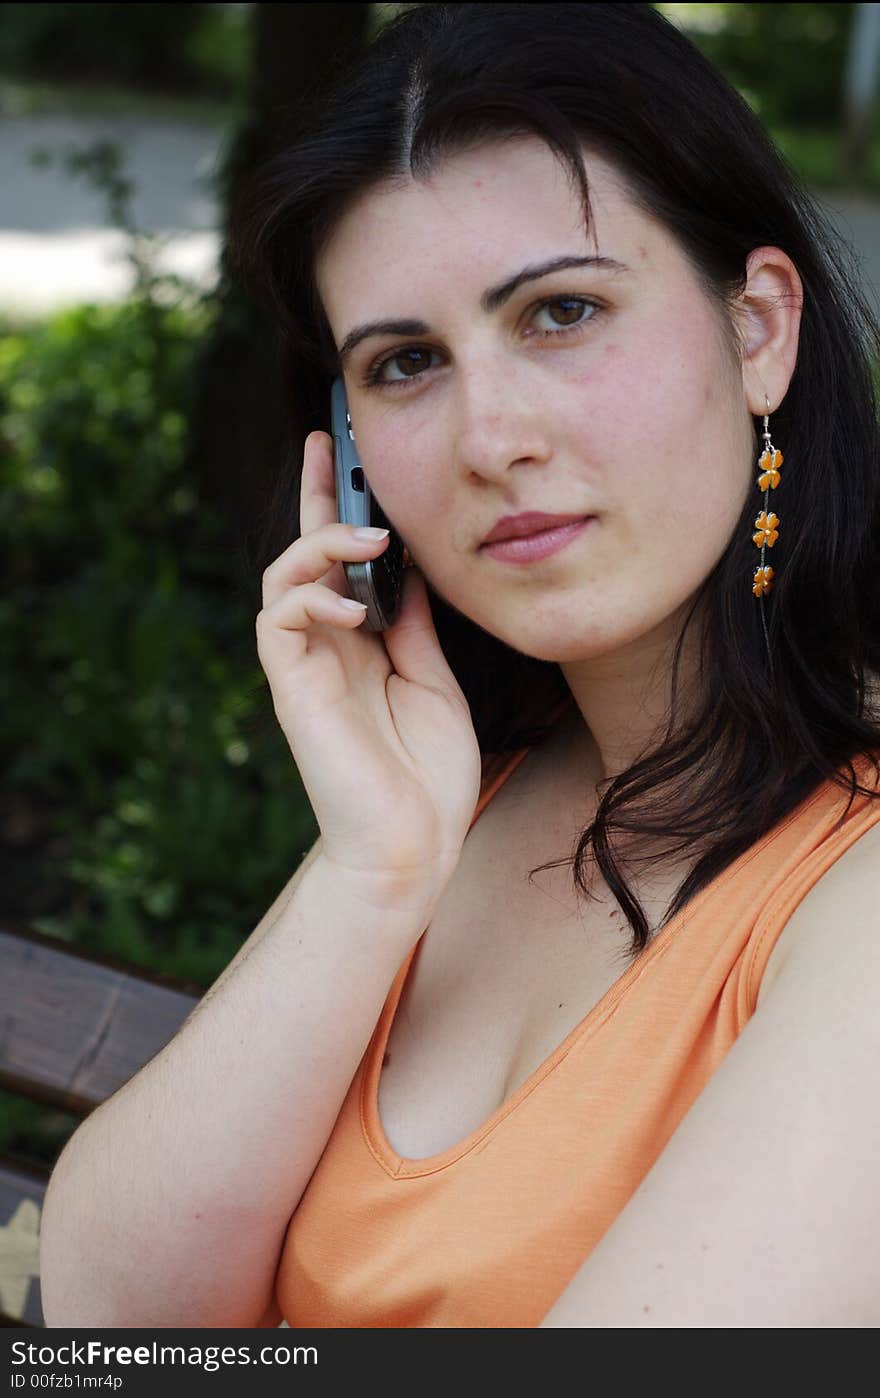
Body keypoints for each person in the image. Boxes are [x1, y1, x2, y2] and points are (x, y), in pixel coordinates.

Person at [40, 3, 880, 1328]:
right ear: (351, 443)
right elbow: (103, 1318)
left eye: (562, 310)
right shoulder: (460, 808)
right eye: (408, 361)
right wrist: (369, 870)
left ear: (760, 328)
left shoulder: (858, 885)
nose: (491, 435)